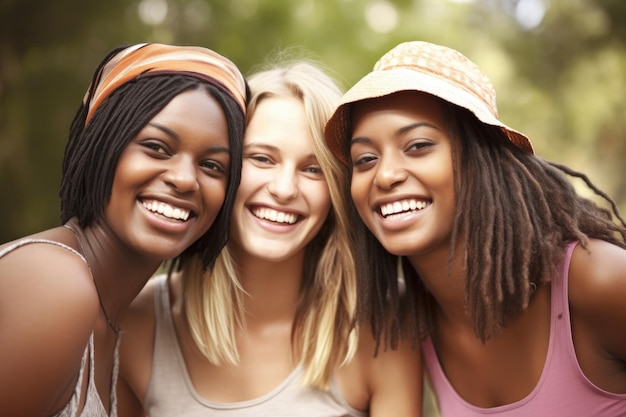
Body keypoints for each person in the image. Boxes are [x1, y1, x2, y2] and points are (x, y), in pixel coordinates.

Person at [324, 40, 626, 416]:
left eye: (417, 146)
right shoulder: (410, 321)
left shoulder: (597, 280)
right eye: (365, 159)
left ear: (482, 158)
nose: (384, 175)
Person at [117, 60, 422, 417]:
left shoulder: (382, 323)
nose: (283, 189)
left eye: (313, 169)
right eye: (262, 159)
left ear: (338, 191)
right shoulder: (137, 319)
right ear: (221, 167)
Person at [0, 42, 248, 417]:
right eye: (156, 147)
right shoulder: (55, 282)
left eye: (213, 166)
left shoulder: (121, 324)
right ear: (102, 144)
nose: (184, 179)